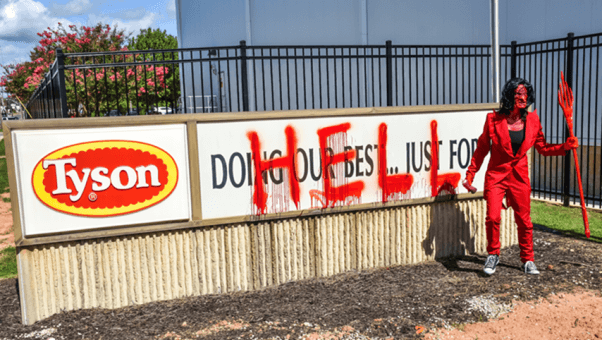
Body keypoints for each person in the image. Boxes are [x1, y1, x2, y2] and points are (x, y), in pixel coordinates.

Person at [462, 78, 578, 275]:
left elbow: (542, 147)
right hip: (497, 175)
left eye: (525, 93)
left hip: (519, 176)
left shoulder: (533, 120)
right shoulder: (493, 119)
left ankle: (528, 259)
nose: (522, 97)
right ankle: (493, 254)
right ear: (509, 96)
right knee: (492, 217)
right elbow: (482, 148)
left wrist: (564, 147)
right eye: (517, 93)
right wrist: (470, 175)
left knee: (524, 220)